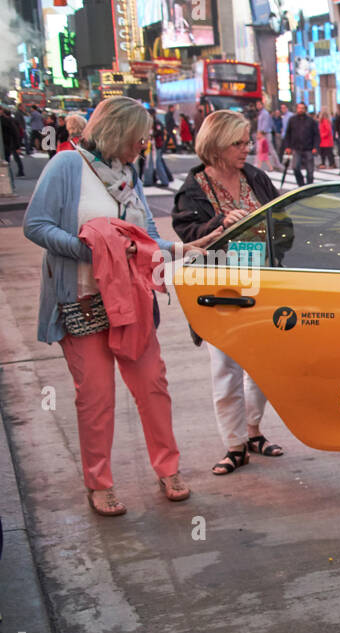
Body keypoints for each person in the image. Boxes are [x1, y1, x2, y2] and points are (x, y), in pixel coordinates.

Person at [23, 96, 217, 516]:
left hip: (132, 301)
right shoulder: (67, 166)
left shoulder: (128, 174)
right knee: (96, 397)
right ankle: (99, 483)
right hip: (82, 302)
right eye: (138, 138)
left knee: (153, 387)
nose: (143, 146)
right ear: (116, 133)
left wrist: (178, 248)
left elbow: (143, 236)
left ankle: (168, 469)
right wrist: (93, 250)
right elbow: (35, 225)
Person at [171, 110, 285, 477]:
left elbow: (285, 221)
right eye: (238, 143)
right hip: (219, 289)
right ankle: (234, 444)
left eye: (247, 141)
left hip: (261, 283)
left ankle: (253, 432)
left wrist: (271, 231)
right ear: (217, 144)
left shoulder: (256, 178)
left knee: (264, 366)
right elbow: (187, 236)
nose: (246, 148)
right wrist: (220, 222)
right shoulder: (194, 188)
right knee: (225, 367)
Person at [283, 102, 320, 186]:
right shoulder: (292, 120)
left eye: (302, 108)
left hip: (308, 148)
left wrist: (315, 147)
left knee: (310, 171)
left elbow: (316, 135)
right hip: (296, 148)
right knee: (295, 167)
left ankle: (309, 186)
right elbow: (288, 134)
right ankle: (301, 184)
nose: (300, 110)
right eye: (299, 108)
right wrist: (287, 146)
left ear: (305, 109)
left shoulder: (311, 121)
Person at [1, 107, 23, 179]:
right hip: (9, 144)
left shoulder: (7, 121)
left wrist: (17, 146)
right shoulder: (9, 120)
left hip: (7, 145)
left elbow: (15, 133)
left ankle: (11, 180)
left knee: (7, 164)